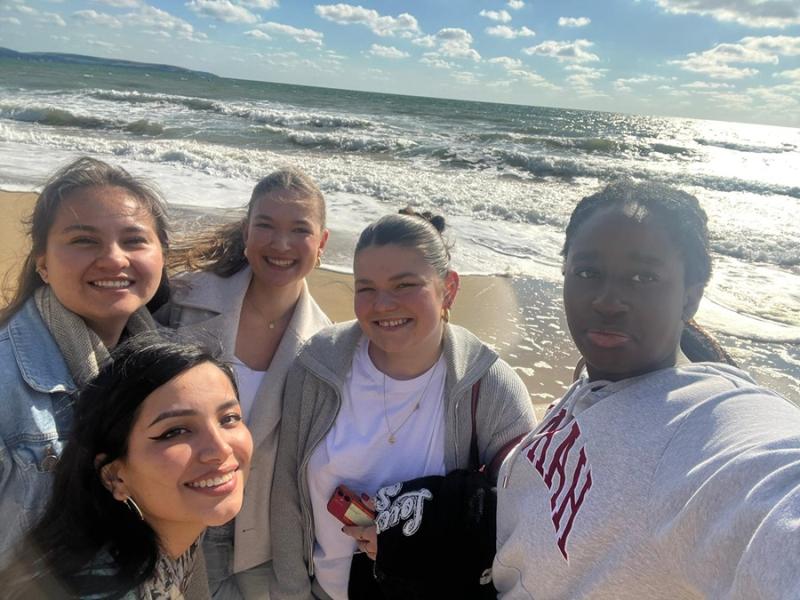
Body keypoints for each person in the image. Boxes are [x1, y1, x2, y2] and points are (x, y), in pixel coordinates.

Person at [493, 181, 800, 599]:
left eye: (643, 276)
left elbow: (771, 489)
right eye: (587, 272)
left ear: (690, 298)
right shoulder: (599, 381)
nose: (607, 300)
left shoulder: (703, 424)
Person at [270, 210, 537, 600]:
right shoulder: (317, 367)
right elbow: (287, 497)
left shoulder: (490, 385)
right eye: (366, 288)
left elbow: (524, 519)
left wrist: (411, 539)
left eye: (404, 285)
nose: (382, 305)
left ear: (449, 288)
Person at [158, 167, 331, 597]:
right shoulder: (183, 300)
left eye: (300, 230)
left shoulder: (329, 350)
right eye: (266, 226)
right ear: (246, 230)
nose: (281, 244)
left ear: (322, 243)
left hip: (259, 549)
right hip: (168, 523)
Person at [0, 156, 169, 561]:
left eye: (133, 240)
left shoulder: (165, 369)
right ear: (42, 263)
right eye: (83, 240)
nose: (114, 258)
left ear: (162, 254)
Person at [1, 335, 254, 599]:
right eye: (176, 431)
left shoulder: (158, 543)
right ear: (115, 477)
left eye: (229, 418)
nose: (221, 449)